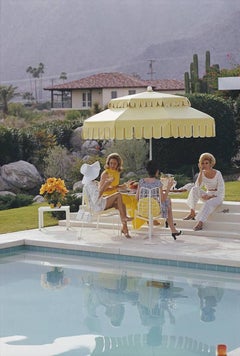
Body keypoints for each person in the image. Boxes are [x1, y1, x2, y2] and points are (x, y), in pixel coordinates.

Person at [80, 161, 132, 238]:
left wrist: (107, 185)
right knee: (118, 195)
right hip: (98, 206)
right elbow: (95, 199)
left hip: (99, 203)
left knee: (121, 204)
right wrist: (105, 185)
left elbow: (98, 194)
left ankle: (125, 228)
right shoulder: (90, 185)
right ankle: (124, 218)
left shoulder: (90, 183)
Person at [136, 160, 182, 240]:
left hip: (142, 210)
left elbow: (137, 198)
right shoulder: (158, 183)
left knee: (167, 201)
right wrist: (168, 187)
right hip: (154, 211)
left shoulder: (141, 181)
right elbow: (162, 199)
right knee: (167, 201)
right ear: (157, 171)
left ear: (147, 170)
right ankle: (172, 228)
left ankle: (170, 225)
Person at [183, 153, 225, 231]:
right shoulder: (202, 173)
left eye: (206, 163)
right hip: (207, 194)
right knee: (194, 189)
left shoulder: (218, 173)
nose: (205, 165)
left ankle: (200, 223)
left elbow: (221, 189)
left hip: (217, 196)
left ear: (210, 163)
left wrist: (210, 196)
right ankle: (192, 212)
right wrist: (201, 172)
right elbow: (197, 186)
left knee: (208, 203)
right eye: (203, 163)